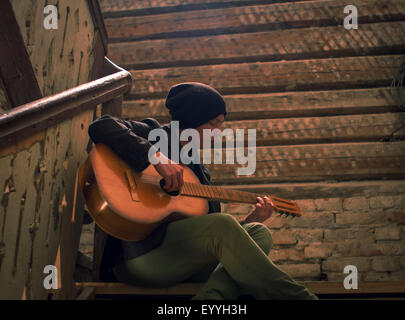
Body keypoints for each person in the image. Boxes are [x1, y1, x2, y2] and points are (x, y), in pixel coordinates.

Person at [87, 82, 318, 300]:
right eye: (212, 124)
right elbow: (101, 125)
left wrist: (248, 220)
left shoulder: (200, 173)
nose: (218, 132)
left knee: (258, 232)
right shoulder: (153, 135)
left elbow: (209, 233)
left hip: (183, 262)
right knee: (224, 224)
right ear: (190, 120)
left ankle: (209, 300)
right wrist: (155, 157)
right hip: (140, 257)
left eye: (221, 124)